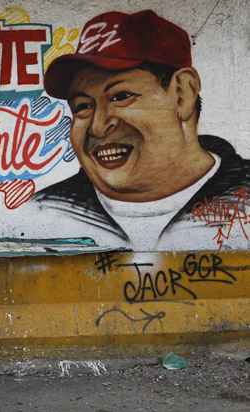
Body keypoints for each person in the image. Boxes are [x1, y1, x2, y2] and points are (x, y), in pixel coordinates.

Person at [32, 9, 250, 250]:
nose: (98, 126)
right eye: (82, 106)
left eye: (121, 96)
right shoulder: (42, 210)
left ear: (182, 94)